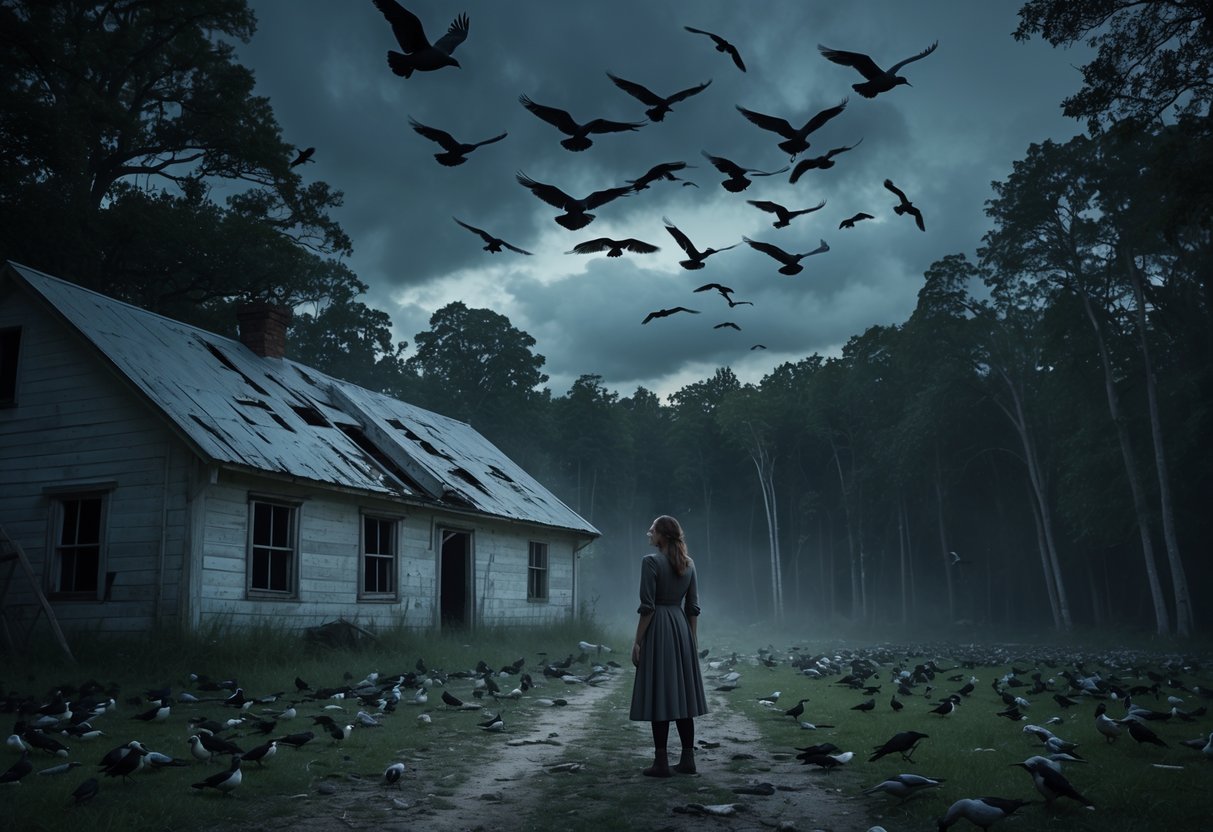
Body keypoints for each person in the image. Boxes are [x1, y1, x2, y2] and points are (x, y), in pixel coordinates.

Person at [629, 514, 708, 777]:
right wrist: (692, 641)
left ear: (663, 535)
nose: (648, 533)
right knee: (683, 695)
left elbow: (648, 608)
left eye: (652, 529)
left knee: (659, 694)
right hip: (682, 629)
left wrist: (637, 641)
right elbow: (693, 608)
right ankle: (688, 760)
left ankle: (661, 762)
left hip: (660, 629)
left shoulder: (650, 562)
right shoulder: (690, 564)